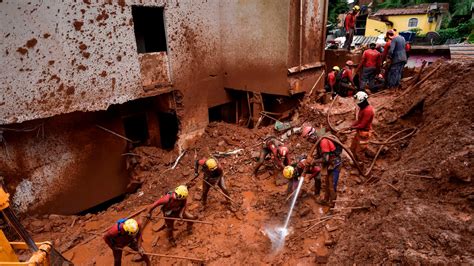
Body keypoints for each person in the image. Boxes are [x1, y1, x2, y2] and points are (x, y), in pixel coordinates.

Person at [309, 128, 343, 206]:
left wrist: (313, 161)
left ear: (312, 136)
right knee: (327, 183)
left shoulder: (323, 141)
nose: (310, 141)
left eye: (309, 139)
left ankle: (332, 205)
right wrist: (313, 159)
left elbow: (325, 159)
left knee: (332, 186)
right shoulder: (319, 141)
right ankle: (325, 199)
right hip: (330, 165)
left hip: (335, 165)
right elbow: (320, 154)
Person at [349, 91, 375, 162]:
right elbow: (359, 120)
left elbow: (362, 125)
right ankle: (356, 164)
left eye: (359, 103)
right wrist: (353, 125)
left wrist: (353, 127)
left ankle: (362, 168)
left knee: (359, 153)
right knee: (352, 149)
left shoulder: (368, 111)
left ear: (363, 101)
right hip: (359, 132)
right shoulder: (362, 108)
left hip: (364, 134)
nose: (358, 105)